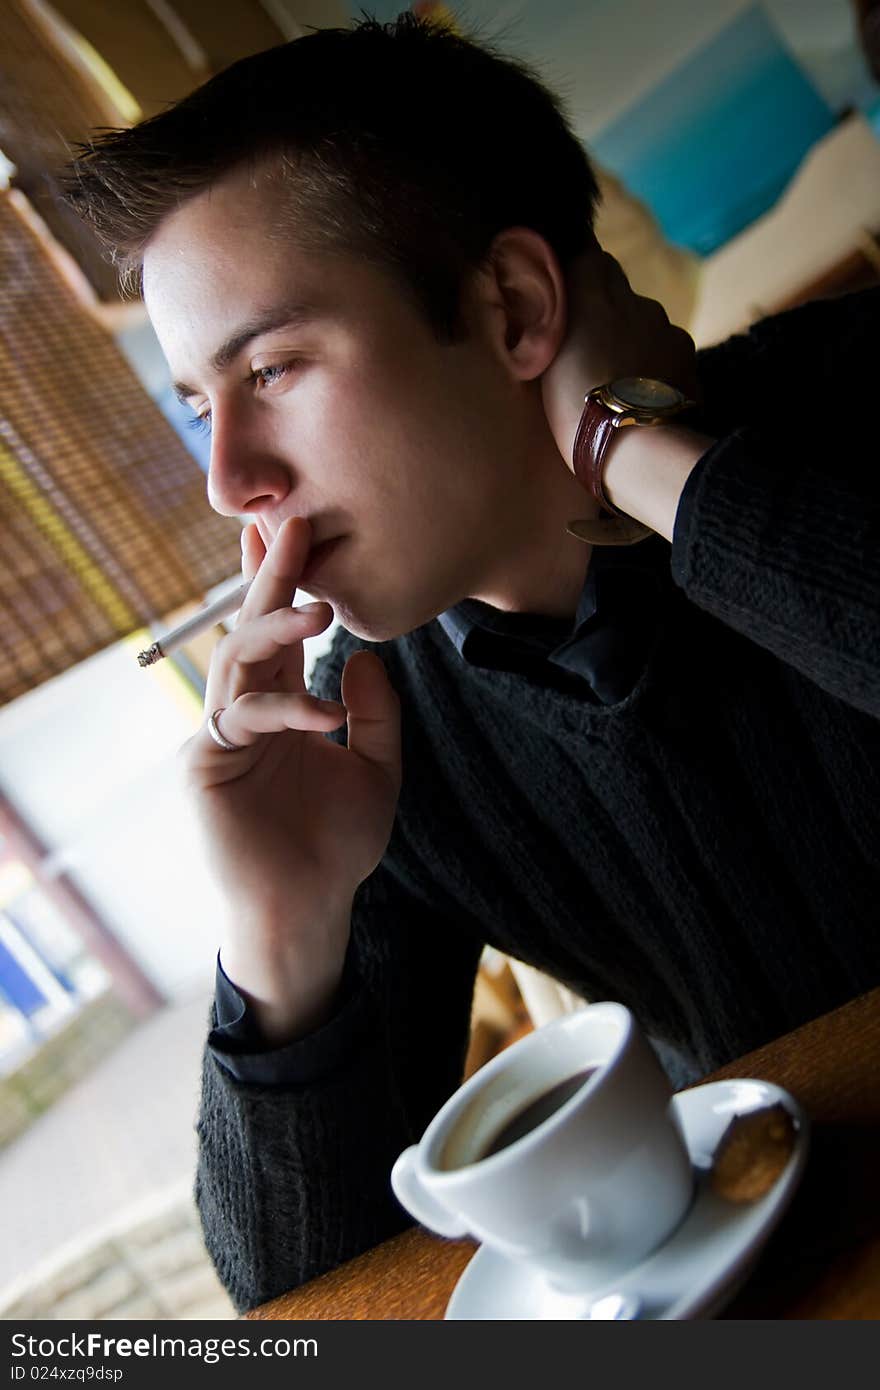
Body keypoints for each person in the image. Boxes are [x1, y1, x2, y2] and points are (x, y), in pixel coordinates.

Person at [65, 15, 879, 1312]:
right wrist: (282, 934)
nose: (230, 478)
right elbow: (306, 1298)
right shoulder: (378, 737)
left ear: (510, 308)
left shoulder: (854, 399)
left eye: (271, 366)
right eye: (196, 404)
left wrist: (637, 452)